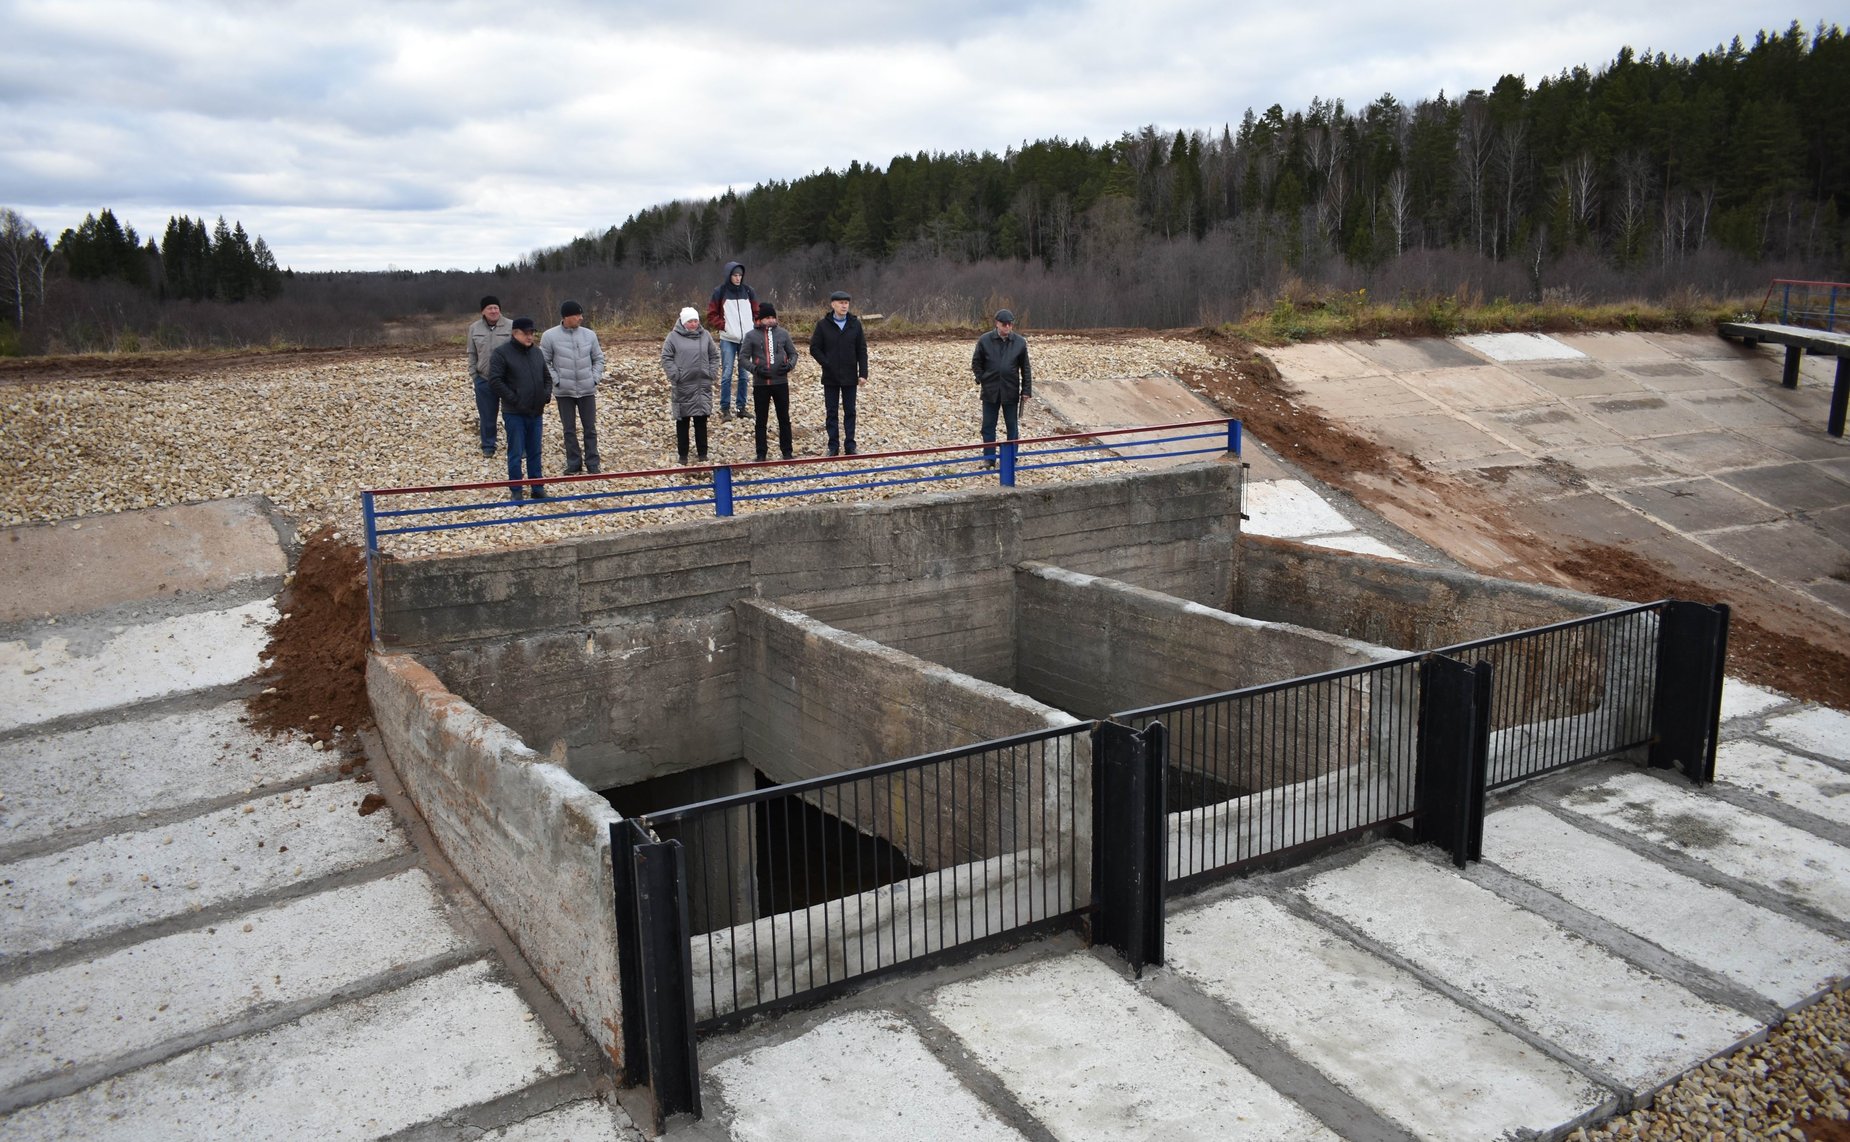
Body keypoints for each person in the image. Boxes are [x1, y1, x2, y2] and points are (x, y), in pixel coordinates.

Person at [489, 317, 553, 499]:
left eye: (532, 333)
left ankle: (537, 487)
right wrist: (514, 399)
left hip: (536, 411)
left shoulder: (537, 353)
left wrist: (545, 395)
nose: (530, 337)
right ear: (515, 333)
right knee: (516, 452)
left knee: (535, 451)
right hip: (514, 412)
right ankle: (516, 489)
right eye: (526, 333)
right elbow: (495, 381)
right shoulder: (501, 353)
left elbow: (547, 377)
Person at [541, 299, 606, 475]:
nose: (581, 318)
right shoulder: (549, 336)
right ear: (566, 317)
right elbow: (544, 362)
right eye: (577, 315)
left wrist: (594, 378)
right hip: (564, 391)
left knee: (590, 428)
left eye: (580, 314)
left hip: (587, 389)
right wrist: (557, 380)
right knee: (569, 429)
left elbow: (598, 358)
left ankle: (593, 463)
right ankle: (574, 463)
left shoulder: (589, 335)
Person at [807, 290, 868, 456]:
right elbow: (814, 348)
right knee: (831, 412)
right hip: (830, 376)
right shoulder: (823, 325)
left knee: (850, 411)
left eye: (846, 303)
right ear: (833, 304)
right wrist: (826, 363)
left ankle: (850, 445)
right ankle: (833, 446)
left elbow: (862, 350)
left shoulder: (855, 324)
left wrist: (863, 373)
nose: (844, 306)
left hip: (850, 375)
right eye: (841, 303)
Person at [971, 308, 1032, 468]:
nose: (1007, 327)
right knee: (988, 426)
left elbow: (1025, 368)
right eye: (1004, 324)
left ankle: (1012, 458)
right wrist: (982, 378)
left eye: (1010, 324)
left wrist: (1026, 390)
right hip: (990, 391)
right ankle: (989, 458)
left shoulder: (1019, 342)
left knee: (1012, 426)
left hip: (1010, 390)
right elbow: (976, 362)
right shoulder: (984, 340)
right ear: (997, 323)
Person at [661, 306, 721, 468]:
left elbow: (714, 355)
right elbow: (666, 357)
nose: (694, 324)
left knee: (701, 420)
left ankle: (703, 453)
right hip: (683, 385)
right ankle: (683, 455)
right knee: (683, 420)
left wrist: (711, 372)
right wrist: (675, 375)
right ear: (683, 322)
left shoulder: (705, 336)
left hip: (702, 385)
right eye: (690, 321)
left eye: (696, 321)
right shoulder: (673, 337)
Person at [740, 302, 797, 461]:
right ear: (760, 319)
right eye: (767, 318)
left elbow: (794, 354)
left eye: (773, 317)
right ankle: (761, 453)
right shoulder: (751, 335)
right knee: (761, 420)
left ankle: (787, 452)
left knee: (784, 418)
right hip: (761, 384)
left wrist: (789, 366)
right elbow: (743, 358)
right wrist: (755, 369)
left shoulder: (783, 334)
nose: (771, 320)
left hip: (781, 382)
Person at [705, 261, 757, 420]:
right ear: (729, 275)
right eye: (735, 275)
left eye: (740, 275)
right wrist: (724, 326)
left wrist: (754, 326)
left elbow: (756, 311)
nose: (738, 278)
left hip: (746, 339)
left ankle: (741, 407)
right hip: (728, 338)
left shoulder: (748, 291)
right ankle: (725, 408)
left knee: (744, 375)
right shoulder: (719, 291)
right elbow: (711, 314)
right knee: (727, 373)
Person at [465, 295, 512, 456]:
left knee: (512, 415)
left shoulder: (511, 326)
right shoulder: (474, 328)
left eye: (496, 308)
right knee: (487, 415)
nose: (493, 311)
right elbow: (471, 353)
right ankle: (488, 446)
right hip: (484, 379)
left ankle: (517, 445)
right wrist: (474, 375)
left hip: (508, 380)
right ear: (483, 311)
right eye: (490, 308)